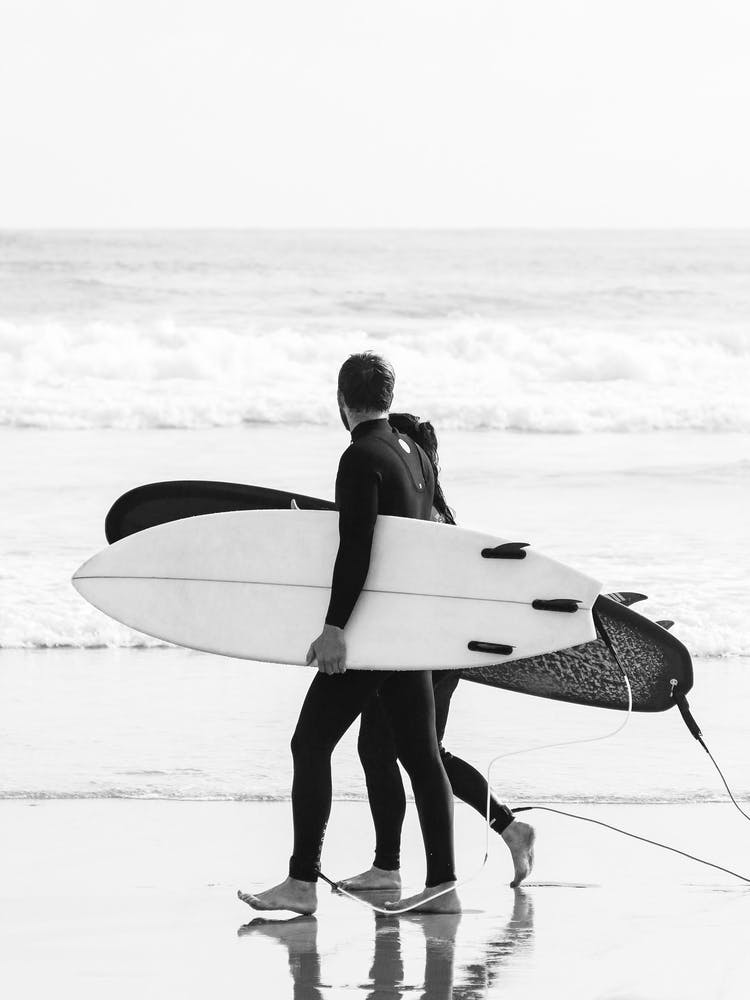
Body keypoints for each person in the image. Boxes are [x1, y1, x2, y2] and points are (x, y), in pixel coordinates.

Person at [238, 352, 460, 916]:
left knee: (310, 743)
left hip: (371, 633)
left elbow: (357, 545)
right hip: (405, 632)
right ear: (388, 395)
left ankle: (301, 881)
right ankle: (441, 884)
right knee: (420, 754)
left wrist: (335, 628)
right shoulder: (413, 452)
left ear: (341, 400)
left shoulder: (359, 456)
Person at [337, 413, 535, 892]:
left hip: (427, 650)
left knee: (402, 752)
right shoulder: (433, 509)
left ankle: (391, 867)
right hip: (433, 647)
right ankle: (507, 830)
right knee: (410, 753)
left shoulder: (418, 515)